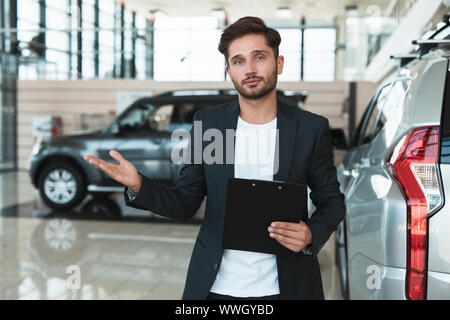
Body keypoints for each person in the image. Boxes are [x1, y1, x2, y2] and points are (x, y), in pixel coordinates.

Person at [84, 16, 345, 300]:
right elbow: (186, 202)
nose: (250, 69)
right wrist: (139, 185)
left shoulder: (310, 128)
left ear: (279, 63)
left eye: (260, 57)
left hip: (287, 288)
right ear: (229, 71)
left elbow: (332, 202)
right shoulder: (208, 124)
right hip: (215, 287)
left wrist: (310, 233)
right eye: (238, 61)